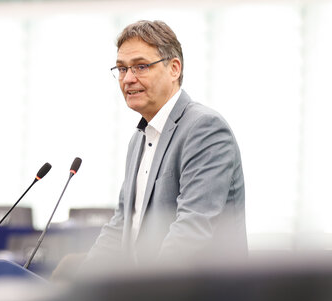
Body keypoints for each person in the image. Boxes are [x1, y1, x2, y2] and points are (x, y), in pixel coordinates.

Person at [83, 20, 245, 268]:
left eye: (140, 66)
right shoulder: (139, 138)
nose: (128, 79)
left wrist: (145, 293)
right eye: (122, 69)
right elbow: (120, 226)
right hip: (151, 298)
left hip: (200, 300)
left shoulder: (205, 129)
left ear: (174, 68)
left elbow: (191, 231)